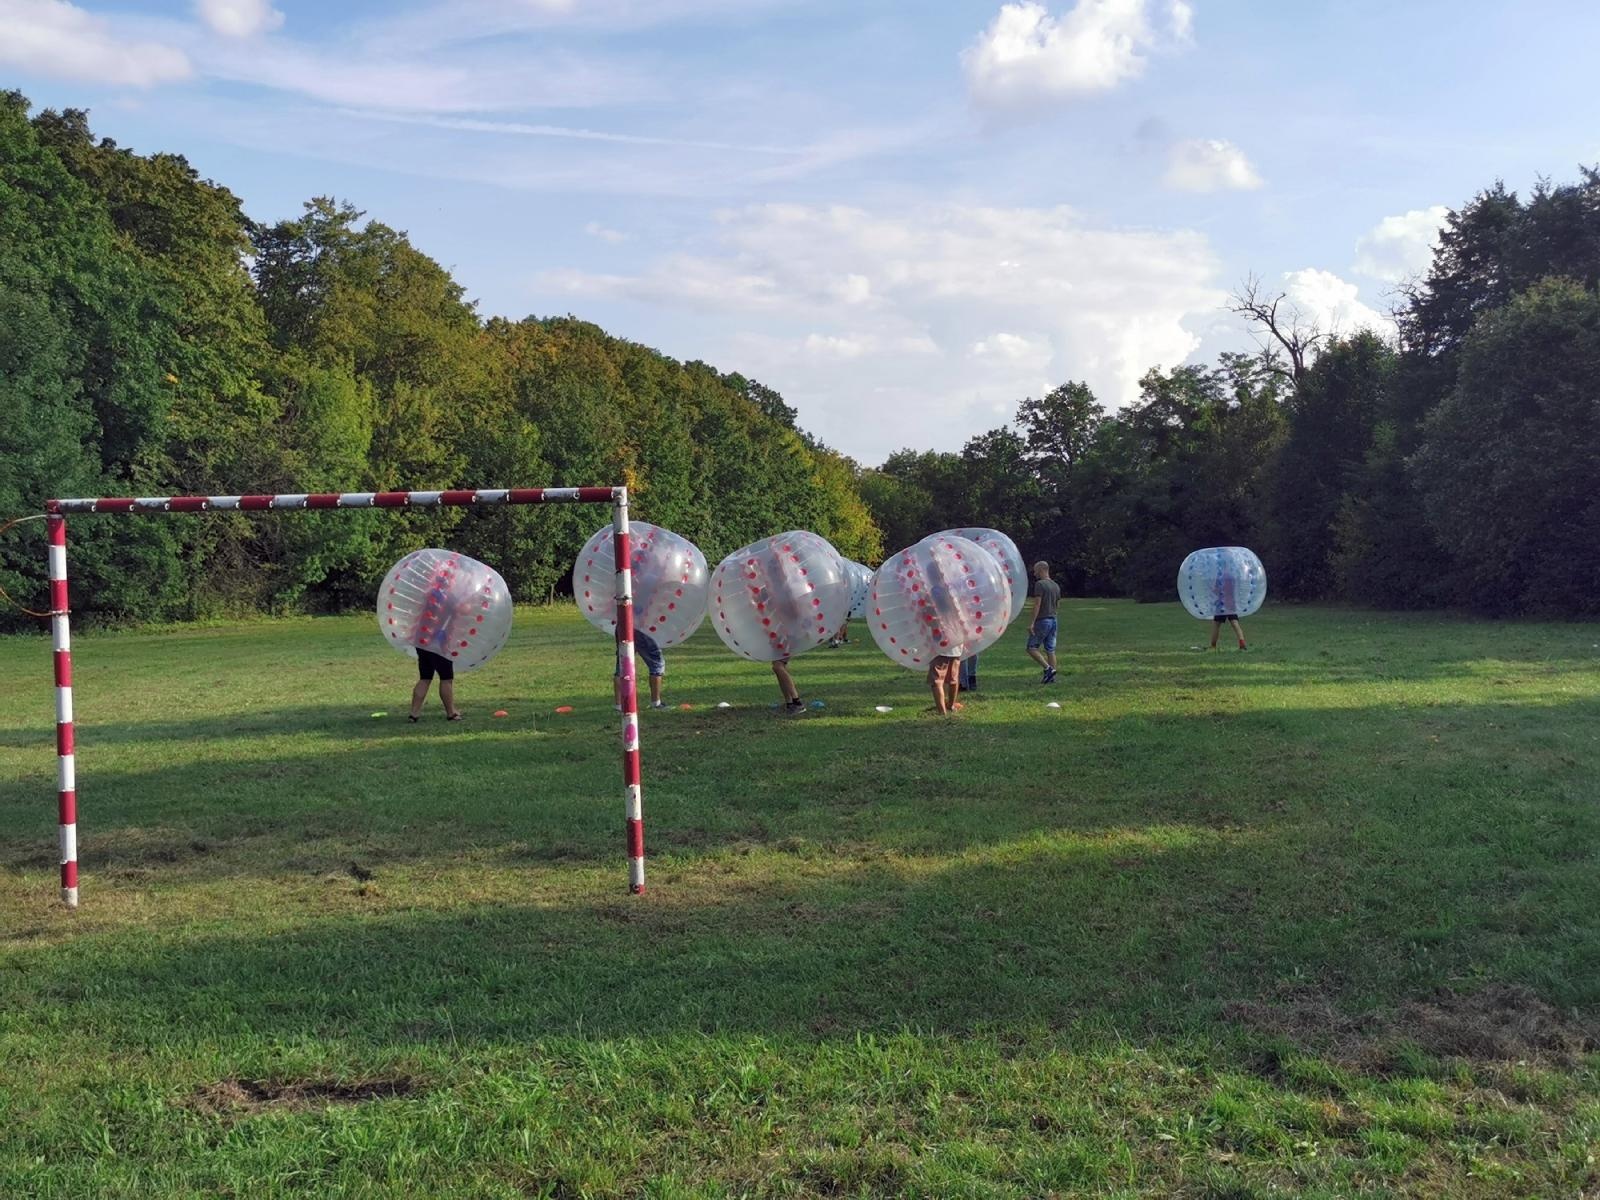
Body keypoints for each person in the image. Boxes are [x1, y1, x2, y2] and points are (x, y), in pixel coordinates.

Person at [1025, 560, 1061, 684]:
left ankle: (1048, 669)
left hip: (1043, 620)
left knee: (1031, 648)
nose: (1034, 574)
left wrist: (1032, 623)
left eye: (1035, 571)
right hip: (1053, 620)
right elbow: (1058, 604)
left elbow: (1037, 604)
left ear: (1041, 570)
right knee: (1050, 650)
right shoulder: (1056, 585)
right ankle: (1052, 677)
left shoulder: (1040, 584)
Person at [616, 630, 669, 710]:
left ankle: (619, 705)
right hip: (643, 629)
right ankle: (656, 703)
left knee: (622, 664)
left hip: (623, 627)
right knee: (656, 663)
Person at [409, 647, 463, 722]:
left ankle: (414, 714)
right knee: (446, 679)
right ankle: (451, 713)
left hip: (422, 644)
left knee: (425, 678)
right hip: (440, 646)